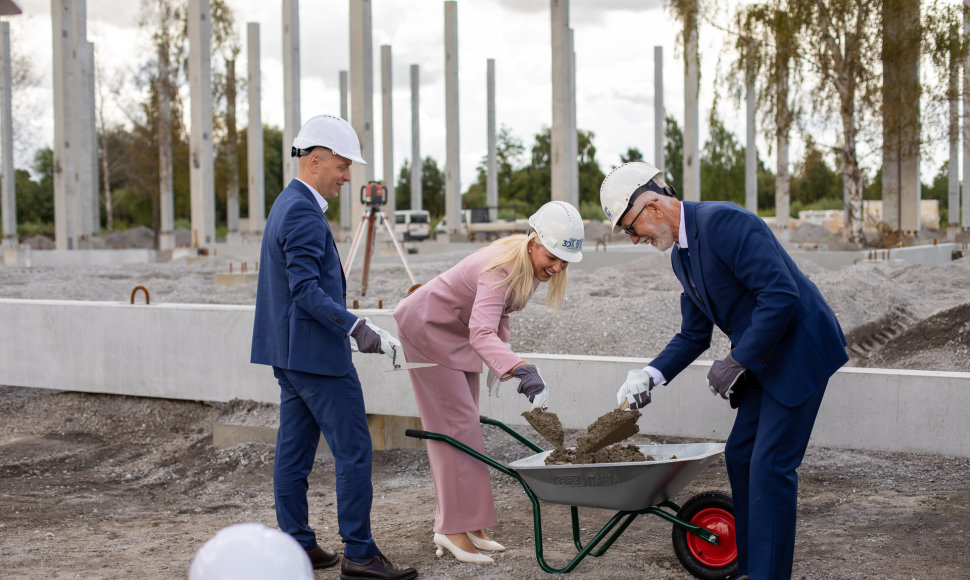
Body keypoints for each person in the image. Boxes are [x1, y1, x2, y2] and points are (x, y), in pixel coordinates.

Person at [599, 162, 848, 580]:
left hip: (800, 350)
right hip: (764, 357)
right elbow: (694, 334)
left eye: (630, 226)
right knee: (741, 455)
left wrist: (738, 359)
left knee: (770, 466)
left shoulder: (725, 222)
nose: (633, 237)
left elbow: (780, 294)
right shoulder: (681, 258)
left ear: (653, 207)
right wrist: (650, 373)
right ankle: (754, 569)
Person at [251, 114, 417, 580]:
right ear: (316, 160)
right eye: (343, 166)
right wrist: (356, 326)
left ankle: (297, 546)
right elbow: (305, 289)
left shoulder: (287, 203)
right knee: (353, 450)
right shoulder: (302, 211)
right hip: (317, 358)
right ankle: (361, 555)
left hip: (288, 354)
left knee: (294, 451)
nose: (348, 177)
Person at [392, 201, 585, 564]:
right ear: (534, 242)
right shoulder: (502, 266)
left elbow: (500, 315)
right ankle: (450, 529)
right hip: (427, 329)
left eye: (565, 262)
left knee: (467, 429)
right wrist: (520, 367)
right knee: (452, 430)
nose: (558, 267)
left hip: (455, 332)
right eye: (554, 256)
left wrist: (505, 360)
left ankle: (472, 524)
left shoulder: (524, 263)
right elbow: (482, 330)